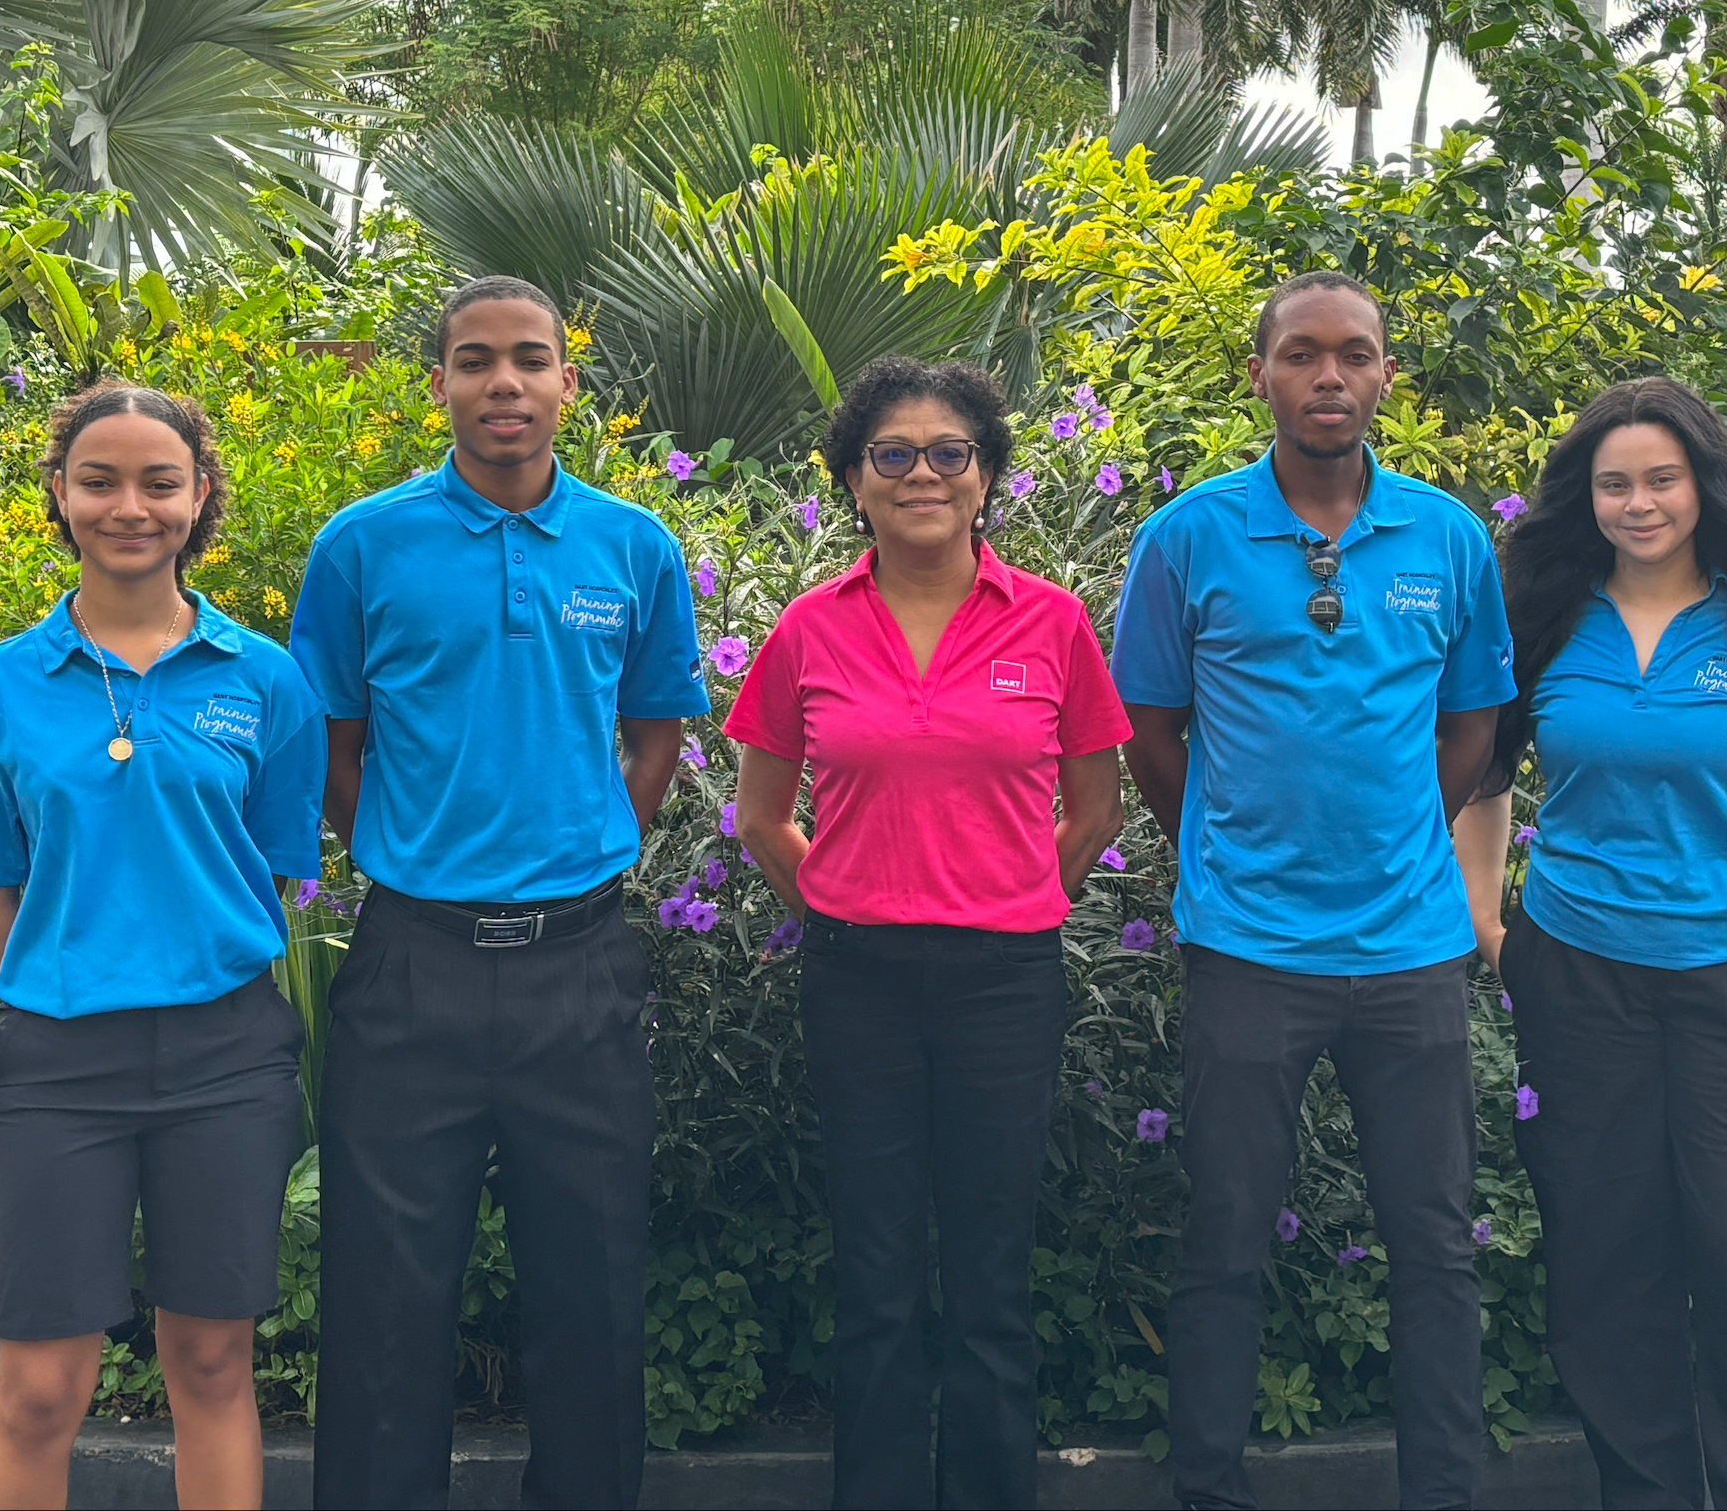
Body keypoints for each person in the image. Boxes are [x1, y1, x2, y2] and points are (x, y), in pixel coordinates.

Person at [291, 274, 709, 1511]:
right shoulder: (361, 546)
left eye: (530, 359)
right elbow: (334, 742)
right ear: (439, 386)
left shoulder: (632, 546)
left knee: (589, 1285)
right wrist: (403, 857)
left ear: (569, 384)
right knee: (381, 1291)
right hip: (409, 959)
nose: (504, 383)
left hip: (578, 968)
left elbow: (653, 736)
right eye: (475, 361)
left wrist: (585, 846)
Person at [1110, 271, 1514, 1511]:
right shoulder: (1187, 537)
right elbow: (1148, 726)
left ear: (1387, 374)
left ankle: (1442, 1490)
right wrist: (1221, 845)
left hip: (1407, 950)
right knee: (1225, 1236)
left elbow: (1472, 728)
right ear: (1260, 376)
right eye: (1299, 355)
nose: (1327, 376)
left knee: (1434, 1245)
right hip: (1245, 947)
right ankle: (1207, 1487)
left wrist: (1399, 833)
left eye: (1353, 354)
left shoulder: (1445, 537)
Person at [1451, 378, 1727, 1511]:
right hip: (1576, 977)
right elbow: (1482, 779)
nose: (1638, 502)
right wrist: (1488, 926)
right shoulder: (1540, 617)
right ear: (1582, 497)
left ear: (1702, 486)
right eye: (1613, 483)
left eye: (1660, 479)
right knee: (1604, 1256)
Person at [0, 383, 324, 1511]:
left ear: (198, 498)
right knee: (43, 1384)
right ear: (60, 493)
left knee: (210, 1363)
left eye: (158, 481)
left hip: (227, 1058)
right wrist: (56, 981)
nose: (128, 505)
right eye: (99, 479)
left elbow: (278, 865)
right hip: (57, 1065)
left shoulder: (264, 680)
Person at [727, 356, 1130, 1510]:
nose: (920, 473)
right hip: (855, 977)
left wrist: (1001, 892)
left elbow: (1096, 808)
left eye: (948, 452)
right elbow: (761, 818)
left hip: (1005, 980)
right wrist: (852, 897)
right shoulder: (808, 629)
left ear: (986, 475)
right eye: (891, 454)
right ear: (853, 480)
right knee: (875, 1270)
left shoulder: (1049, 623)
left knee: (992, 1274)